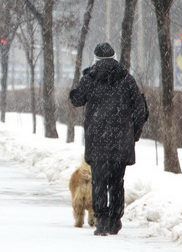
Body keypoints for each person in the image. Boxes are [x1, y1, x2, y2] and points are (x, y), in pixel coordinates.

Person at [69, 43, 148, 236]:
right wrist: (133, 134)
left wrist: (78, 83)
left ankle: (102, 221)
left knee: (99, 181)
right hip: (121, 141)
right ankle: (115, 219)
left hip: (98, 141)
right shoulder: (127, 79)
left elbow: (76, 100)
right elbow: (140, 110)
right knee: (117, 181)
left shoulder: (90, 78)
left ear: (95, 58)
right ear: (115, 57)